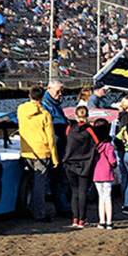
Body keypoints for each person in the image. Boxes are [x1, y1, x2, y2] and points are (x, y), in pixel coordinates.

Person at [17, 86, 59, 222]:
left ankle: (27, 208)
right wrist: (55, 158)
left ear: (29, 95)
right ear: (42, 97)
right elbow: (51, 138)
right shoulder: (45, 115)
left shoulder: (21, 109)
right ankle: (39, 213)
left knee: (27, 182)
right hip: (42, 152)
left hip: (26, 151)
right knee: (39, 185)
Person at [63, 105, 97, 228]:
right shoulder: (89, 129)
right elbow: (97, 142)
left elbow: (67, 139)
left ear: (76, 116)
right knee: (83, 192)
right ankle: (82, 219)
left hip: (70, 162)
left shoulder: (69, 128)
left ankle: (75, 219)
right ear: (87, 116)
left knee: (74, 192)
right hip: (85, 163)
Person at [42, 80, 71, 215]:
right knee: (57, 177)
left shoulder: (54, 104)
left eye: (61, 91)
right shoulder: (46, 105)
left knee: (59, 177)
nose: (60, 94)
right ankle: (61, 206)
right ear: (49, 89)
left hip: (59, 145)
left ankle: (62, 204)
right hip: (54, 147)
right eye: (58, 91)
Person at [92, 120, 118, 229]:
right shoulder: (108, 145)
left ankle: (101, 221)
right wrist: (114, 164)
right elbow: (112, 161)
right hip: (107, 173)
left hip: (96, 174)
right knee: (108, 197)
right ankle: (109, 222)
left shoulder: (93, 146)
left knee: (101, 197)